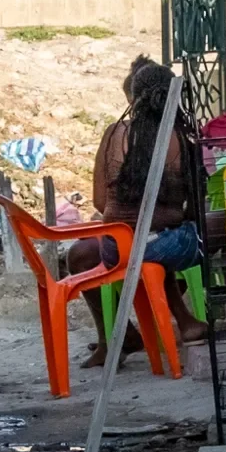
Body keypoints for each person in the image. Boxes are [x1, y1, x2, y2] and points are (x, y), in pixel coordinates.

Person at [70, 56, 208, 367]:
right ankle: (190, 321)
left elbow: (100, 203)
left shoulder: (112, 133)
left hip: (115, 249)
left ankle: (140, 332)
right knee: (179, 240)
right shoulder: (183, 139)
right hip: (168, 246)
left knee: (143, 244)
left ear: (134, 98)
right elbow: (194, 209)